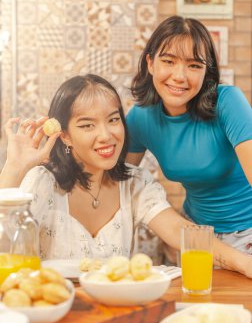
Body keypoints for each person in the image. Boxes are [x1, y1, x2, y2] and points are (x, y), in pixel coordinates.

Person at [0, 74, 252, 278]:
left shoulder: (134, 183)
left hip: (116, 315)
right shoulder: (42, 182)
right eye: (87, 125)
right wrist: (13, 168)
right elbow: (4, 245)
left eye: (113, 119)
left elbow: (178, 230)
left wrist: (243, 263)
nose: (106, 135)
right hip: (56, 312)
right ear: (64, 135)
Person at [126, 15, 252, 256]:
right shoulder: (141, 117)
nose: (180, 76)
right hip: (197, 234)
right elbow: (117, 182)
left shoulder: (227, 102)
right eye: (169, 61)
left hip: (247, 234)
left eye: (194, 65)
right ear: (151, 63)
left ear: (207, 72)